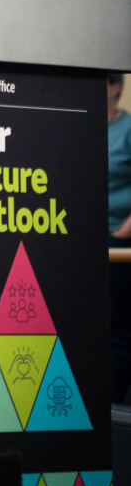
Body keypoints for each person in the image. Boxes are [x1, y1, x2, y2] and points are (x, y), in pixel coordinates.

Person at [108, 73, 131, 402]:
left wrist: (122, 232)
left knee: (114, 331)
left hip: (117, 242)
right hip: (78, 240)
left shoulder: (127, 130)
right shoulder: (79, 123)